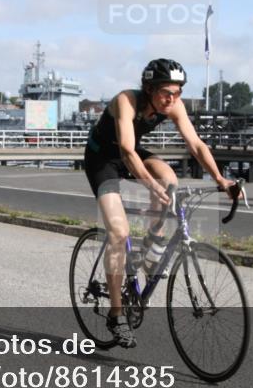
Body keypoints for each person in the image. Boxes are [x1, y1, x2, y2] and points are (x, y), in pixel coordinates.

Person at [83, 58, 238, 348]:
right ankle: (116, 314)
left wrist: (220, 179)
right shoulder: (126, 101)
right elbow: (127, 150)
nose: (172, 99)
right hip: (102, 159)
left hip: (131, 153)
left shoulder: (173, 105)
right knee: (119, 233)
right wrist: (149, 185)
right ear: (149, 89)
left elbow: (196, 145)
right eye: (167, 92)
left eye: (178, 92)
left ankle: (152, 249)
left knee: (169, 179)